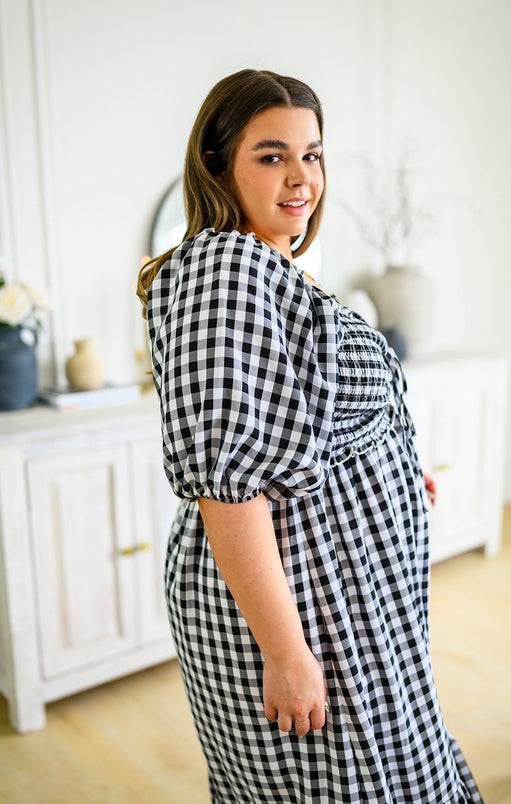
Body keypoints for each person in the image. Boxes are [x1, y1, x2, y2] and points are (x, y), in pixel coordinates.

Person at [137, 69, 482, 803]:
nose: (301, 178)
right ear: (216, 164)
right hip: (304, 595)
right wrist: (286, 652)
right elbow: (226, 486)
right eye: (271, 155)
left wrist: (386, 465)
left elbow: (308, 422)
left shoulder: (270, 267)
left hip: (344, 582)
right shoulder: (227, 271)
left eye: (312, 154)